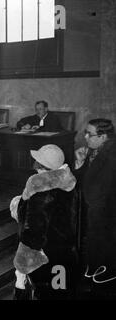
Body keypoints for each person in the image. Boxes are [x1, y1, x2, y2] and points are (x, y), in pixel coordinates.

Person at [10, 144, 78, 300]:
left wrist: (23, 262)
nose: (35, 168)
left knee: (43, 293)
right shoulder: (69, 182)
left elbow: (33, 230)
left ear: (43, 167)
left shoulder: (40, 190)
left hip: (44, 255)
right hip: (66, 251)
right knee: (60, 290)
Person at [73, 118, 116, 298]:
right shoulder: (96, 150)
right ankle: (94, 275)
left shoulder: (111, 155)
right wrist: (80, 163)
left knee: (102, 248)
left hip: (104, 213)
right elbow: (86, 181)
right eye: (86, 132)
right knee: (94, 247)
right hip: (96, 210)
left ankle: (101, 280)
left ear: (103, 136)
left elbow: (99, 189)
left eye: (89, 134)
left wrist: (90, 210)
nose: (86, 137)